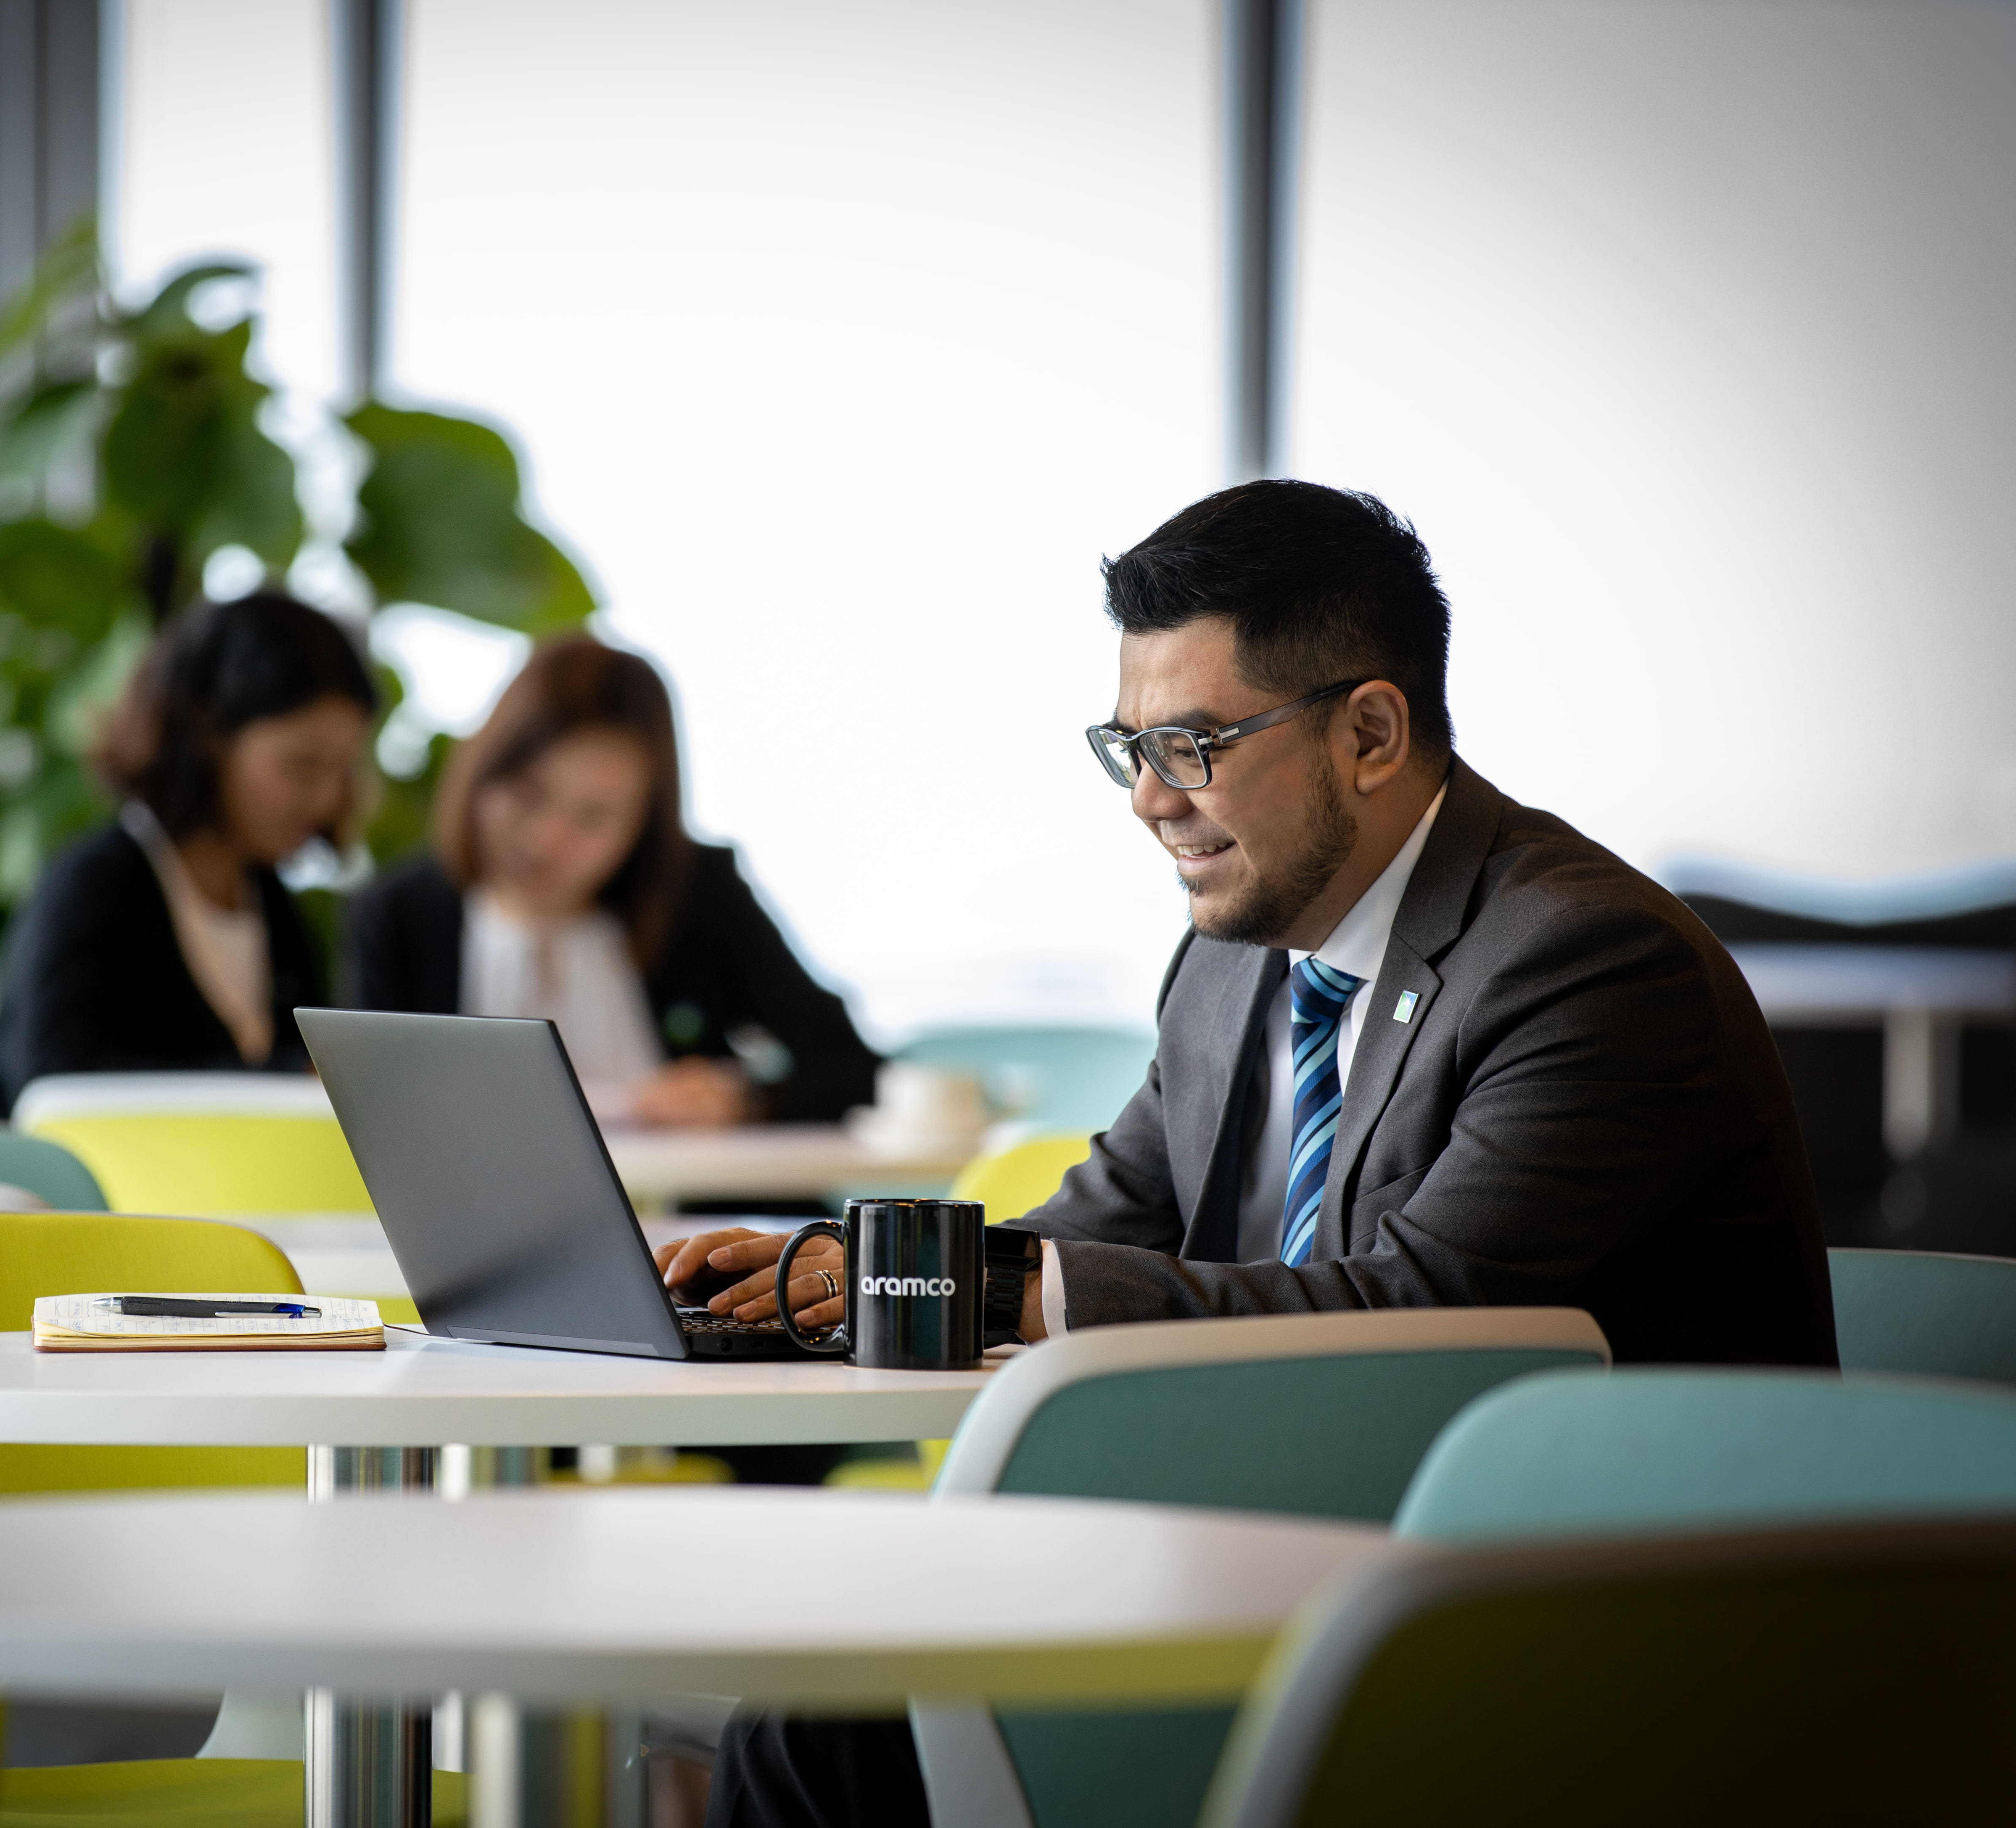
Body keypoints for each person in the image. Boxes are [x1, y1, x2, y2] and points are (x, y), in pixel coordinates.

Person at [683, 480, 1840, 1826]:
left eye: (1191, 745)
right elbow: (1101, 1223)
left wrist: (995, 1292)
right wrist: (833, 1277)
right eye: (1129, 750)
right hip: (1302, 1566)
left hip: (1570, 1629)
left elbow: (1429, 1317)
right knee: (816, 1706)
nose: (1149, 803)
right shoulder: (1233, 966)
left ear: (1368, 731)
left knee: (831, 1731)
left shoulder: (1584, 962)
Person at [347, 634, 880, 1128]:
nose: (547, 839)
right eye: (529, 795)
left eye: (594, 818)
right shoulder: (398, 913)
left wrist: (740, 1096)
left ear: (642, 826)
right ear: (483, 772)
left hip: (694, 1223)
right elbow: (368, 1111)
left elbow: (855, 1068)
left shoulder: (697, 895)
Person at [0, 593, 376, 1119]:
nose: (325, 799)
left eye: (341, 770)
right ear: (209, 735)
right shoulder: (94, 887)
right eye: (302, 766)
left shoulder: (273, 906)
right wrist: (279, 1080)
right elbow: (54, 1087)